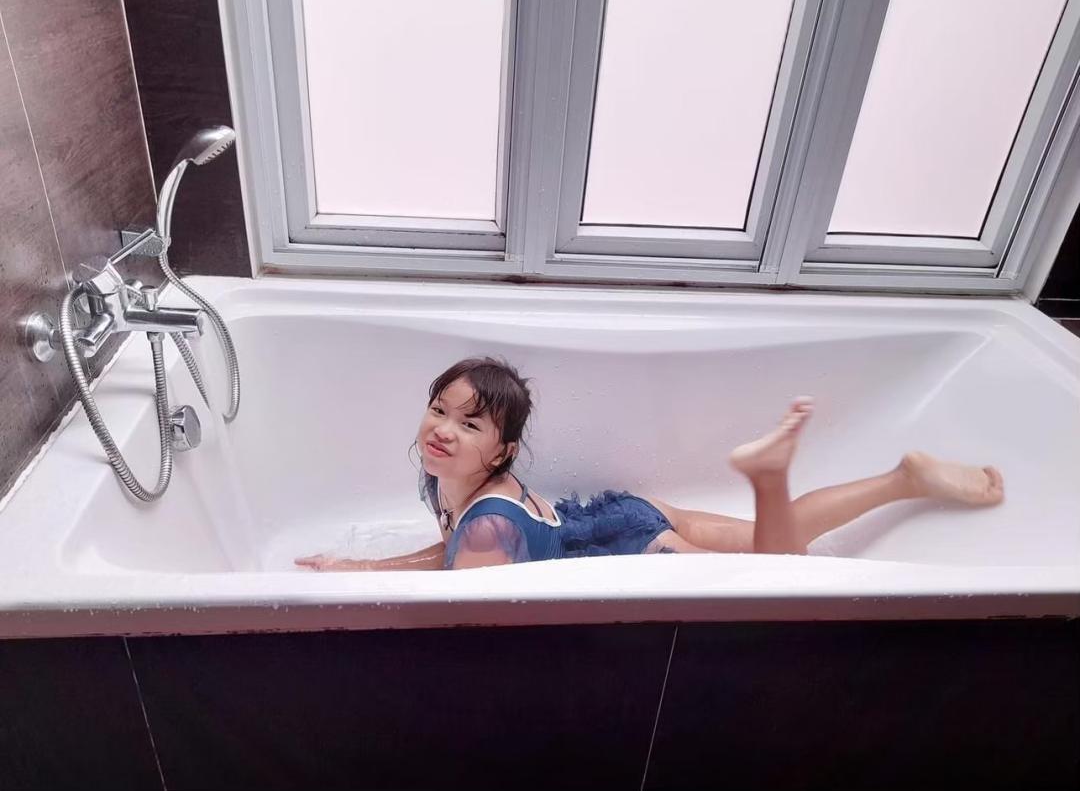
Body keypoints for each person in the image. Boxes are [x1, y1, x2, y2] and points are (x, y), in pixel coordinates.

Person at [296, 357, 1004, 571]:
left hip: (633, 548)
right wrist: (359, 568)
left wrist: (364, 575)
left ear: (503, 452)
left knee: (780, 565)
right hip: (613, 515)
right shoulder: (458, 485)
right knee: (783, 541)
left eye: (470, 423)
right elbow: (448, 550)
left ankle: (768, 477)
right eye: (439, 410)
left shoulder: (485, 525)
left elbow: (464, 590)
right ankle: (902, 479)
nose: (443, 431)